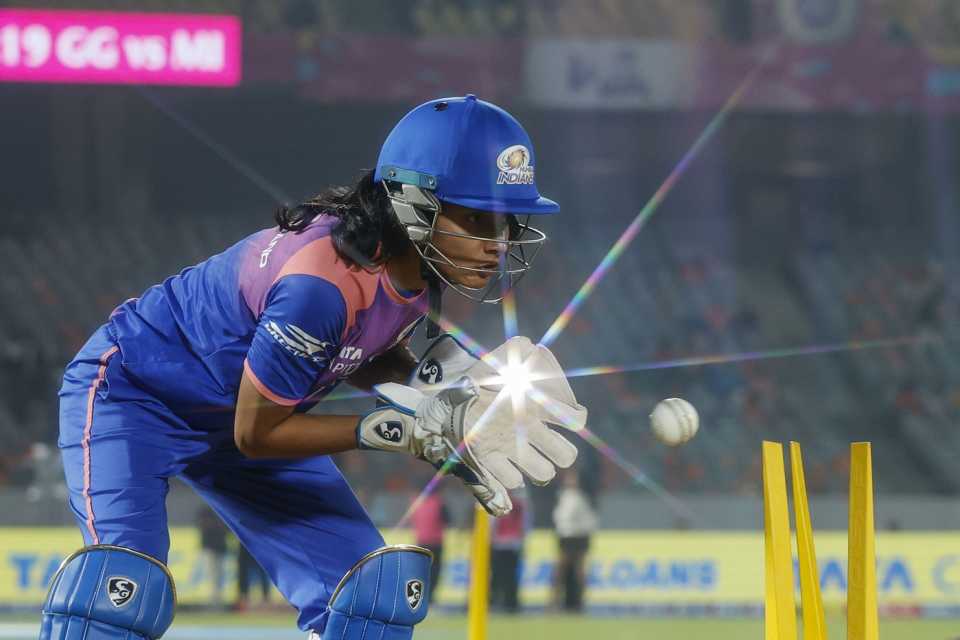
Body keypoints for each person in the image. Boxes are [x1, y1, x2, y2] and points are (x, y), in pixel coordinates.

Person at [43, 94, 586, 640]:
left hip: (254, 410)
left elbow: (356, 351)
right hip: (137, 396)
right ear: (412, 203)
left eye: (508, 221)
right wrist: (399, 431)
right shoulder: (320, 284)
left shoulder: (412, 269)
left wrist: (441, 388)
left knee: (371, 600)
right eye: (477, 218)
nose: (499, 243)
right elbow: (255, 435)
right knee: (117, 595)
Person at [553, 469, 598, 612]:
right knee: (560, 572)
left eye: (573, 478)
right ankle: (555, 603)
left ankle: (580, 602)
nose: (570, 481)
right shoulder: (562, 496)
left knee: (579, 572)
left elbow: (589, 520)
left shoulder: (582, 498)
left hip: (578, 536)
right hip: (566, 536)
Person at [490, 487, 530, 613]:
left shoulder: (515, 505)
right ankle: (507, 603)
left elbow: (524, 524)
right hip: (507, 544)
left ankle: (505, 602)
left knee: (503, 575)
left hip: (506, 544)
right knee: (505, 575)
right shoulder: (518, 504)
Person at [410, 488, 450, 601]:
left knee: (420, 571)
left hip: (420, 542)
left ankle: (419, 596)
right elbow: (447, 520)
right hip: (435, 543)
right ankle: (430, 596)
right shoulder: (439, 503)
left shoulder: (416, 502)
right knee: (434, 571)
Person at [196, 505, 229, 609]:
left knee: (218, 576)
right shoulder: (207, 511)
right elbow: (201, 526)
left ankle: (217, 601)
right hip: (210, 548)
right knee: (212, 575)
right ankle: (214, 601)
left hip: (220, 547)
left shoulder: (222, 510)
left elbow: (227, 529)